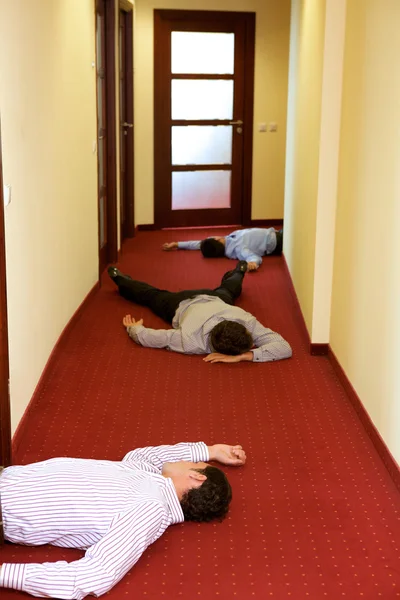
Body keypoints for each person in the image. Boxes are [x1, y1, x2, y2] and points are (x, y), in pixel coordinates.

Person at [0, 441, 246, 599]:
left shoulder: (151, 509)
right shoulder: (146, 473)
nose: (185, 460)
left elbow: (93, 575)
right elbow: (147, 454)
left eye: (193, 463)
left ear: (196, 476)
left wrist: (4, 574)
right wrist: (209, 451)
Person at [108, 261, 292, 364]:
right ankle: (120, 279)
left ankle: (239, 270)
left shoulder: (244, 321)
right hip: (183, 302)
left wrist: (244, 355)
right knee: (150, 295)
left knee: (230, 288)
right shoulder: (189, 341)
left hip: (215, 301)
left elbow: (286, 348)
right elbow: (149, 337)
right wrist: (134, 329)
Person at [162, 227, 283, 271]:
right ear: (217, 240)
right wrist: (252, 263)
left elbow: (198, 244)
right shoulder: (239, 249)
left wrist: (177, 244)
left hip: (274, 232)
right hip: (279, 241)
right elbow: (254, 257)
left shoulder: (228, 241)